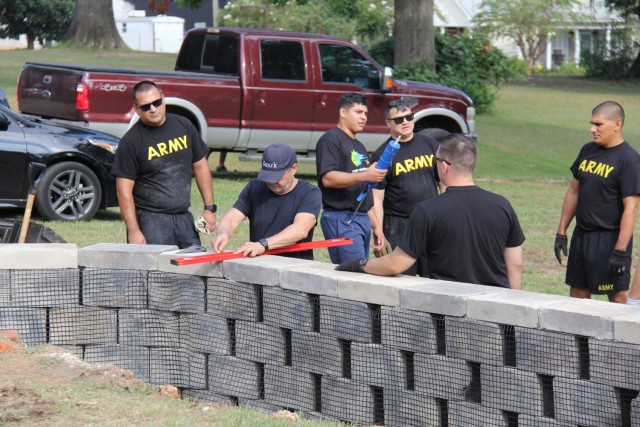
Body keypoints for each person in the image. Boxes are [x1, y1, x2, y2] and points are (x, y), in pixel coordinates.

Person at [337, 134, 525, 289]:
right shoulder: (503, 206)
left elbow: (396, 263)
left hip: (448, 307)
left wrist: (359, 264)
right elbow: (516, 265)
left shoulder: (427, 210)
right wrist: (512, 302)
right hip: (495, 305)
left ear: (444, 166)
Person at [111, 80, 217, 249]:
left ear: (163, 99)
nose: (153, 109)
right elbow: (123, 191)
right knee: (154, 273)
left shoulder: (184, 125)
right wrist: (134, 231)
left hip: (184, 217)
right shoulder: (131, 142)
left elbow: (200, 166)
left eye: (156, 102)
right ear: (136, 109)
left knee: (191, 268)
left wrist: (209, 208)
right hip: (150, 220)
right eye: (145, 106)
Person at [555, 101, 640, 304]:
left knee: (616, 297)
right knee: (577, 292)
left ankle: (619, 338)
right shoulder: (588, 150)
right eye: (591, 123)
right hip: (582, 236)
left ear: (617, 124)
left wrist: (620, 251)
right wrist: (561, 232)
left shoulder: (629, 160)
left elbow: (632, 207)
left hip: (609, 240)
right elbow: (573, 191)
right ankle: (582, 338)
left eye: (598, 124)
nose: (592, 129)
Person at [213, 143, 321, 259]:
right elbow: (231, 219)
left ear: (294, 169)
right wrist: (223, 233)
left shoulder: (310, 193)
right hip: (259, 263)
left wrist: (263, 245)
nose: (271, 182)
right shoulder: (254, 188)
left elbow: (301, 229)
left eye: (277, 177)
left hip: (295, 266)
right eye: (267, 176)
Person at [371, 99, 442, 275]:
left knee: (433, 277)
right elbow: (377, 199)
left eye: (409, 117)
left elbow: (444, 183)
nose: (405, 122)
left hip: (430, 222)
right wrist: (378, 232)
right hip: (399, 225)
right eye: (398, 119)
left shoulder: (430, 144)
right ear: (388, 123)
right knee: (402, 278)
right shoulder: (382, 155)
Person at [315, 92, 387, 264]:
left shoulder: (359, 145)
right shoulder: (330, 140)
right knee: (352, 277)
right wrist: (365, 175)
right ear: (343, 112)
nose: (363, 117)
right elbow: (328, 178)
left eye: (366, 114)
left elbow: (362, 191)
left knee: (361, 274)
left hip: (361, 217)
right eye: (358, 112)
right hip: (342, 218)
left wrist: (376, 226)